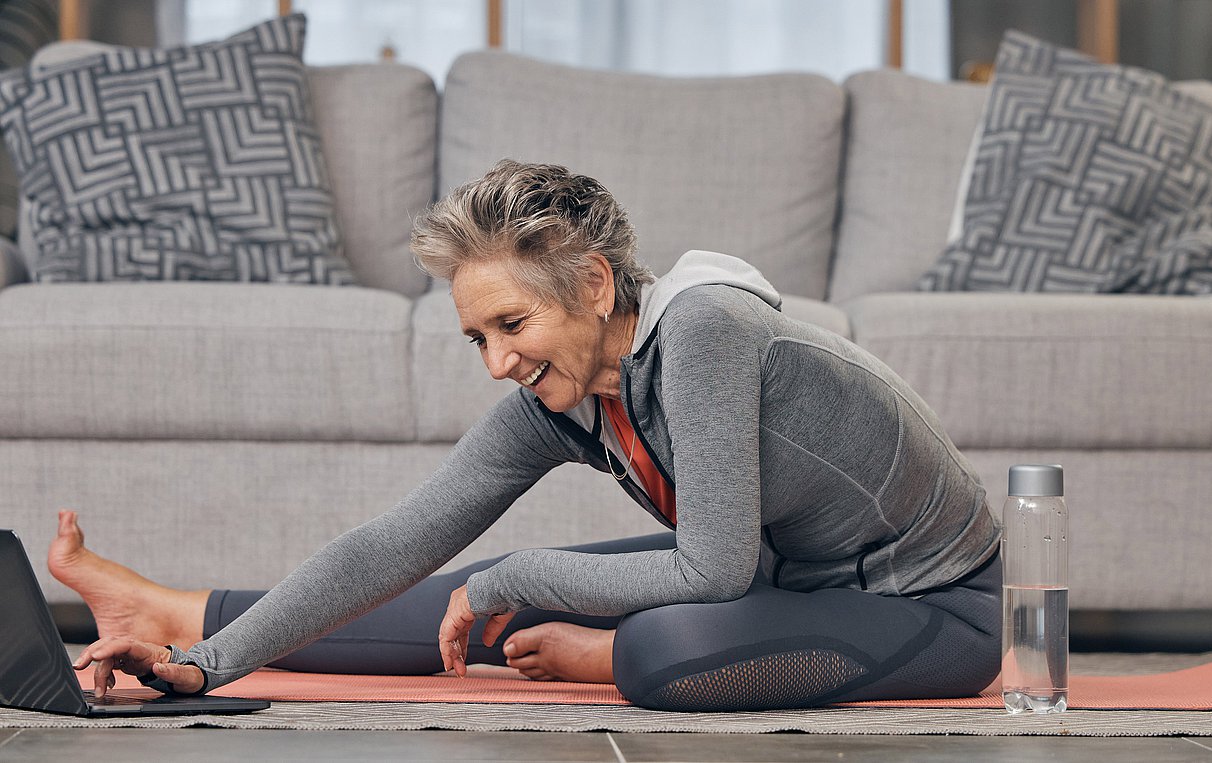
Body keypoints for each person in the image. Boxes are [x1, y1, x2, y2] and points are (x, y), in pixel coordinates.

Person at [66, 159, 1002, 712]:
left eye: (512, 326)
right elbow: (394, 541)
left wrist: (516, 577)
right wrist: (203, 670)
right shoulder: (566, 396)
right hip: (781, 570)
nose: (496, 363)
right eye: (478, 336)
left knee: (655, 650)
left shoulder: (707, 330)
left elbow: (712, 573)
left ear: (595, 285)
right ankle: (177, 619)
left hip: (943, 606)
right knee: (462, 599)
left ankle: (611, 648)